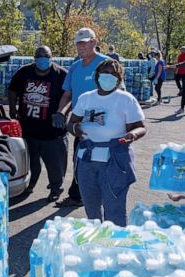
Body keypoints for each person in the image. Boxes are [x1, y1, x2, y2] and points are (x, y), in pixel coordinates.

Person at [67, 59, 146, 226]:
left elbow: (140, 127)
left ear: (119, 78)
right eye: (105, 73)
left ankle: (116, 241)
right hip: (87, 159)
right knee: (91, 206)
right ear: (97, 76)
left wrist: (131, 135)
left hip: (114, 160)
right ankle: (97, 240)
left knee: (114, 207)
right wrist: (76, 129)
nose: (108, 77)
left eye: (113, 74)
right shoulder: (86, 98)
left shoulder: (125, 99)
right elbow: (71, 122)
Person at [54, 27, 109, 208]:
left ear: (94, 42)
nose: (81, 47)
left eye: (84, 43)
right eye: (78, 43)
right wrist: (61, 112)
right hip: (80, 124)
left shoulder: (106, 64)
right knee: (79, 160)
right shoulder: (75, 67)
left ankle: (98, 195)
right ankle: (78, 196)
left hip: (104, 125)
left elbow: (118, 93)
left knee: (101, 161)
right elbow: (67, 94)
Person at [7, 46, 69, 202]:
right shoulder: (24, 72)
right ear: (34, 58)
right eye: (39, 56)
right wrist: (13, 108)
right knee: (31, 163)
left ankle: (56, 188)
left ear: (51, 57)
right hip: (28, 130)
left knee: (55, 165)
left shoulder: (61, 75)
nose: (43, 59)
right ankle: (30, 185)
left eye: (46, 56)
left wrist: (63, 112)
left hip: (53, 131)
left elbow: (70, 96)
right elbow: (12, 90)